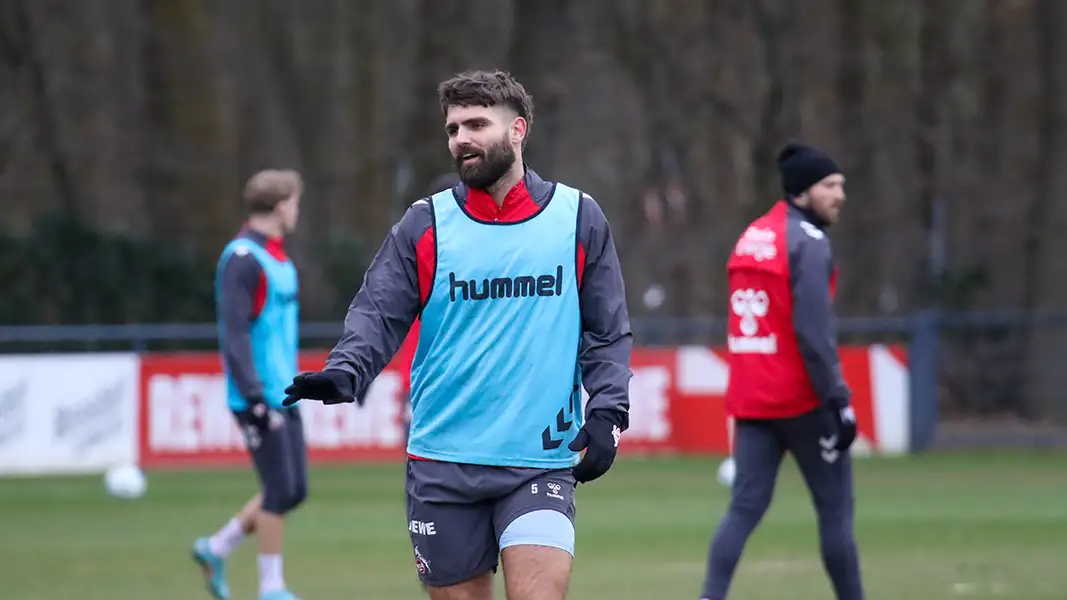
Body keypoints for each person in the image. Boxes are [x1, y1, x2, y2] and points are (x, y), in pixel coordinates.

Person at [283, 70, 633, 600]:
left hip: (537, 461)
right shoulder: (425, 225)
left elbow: (607, 332)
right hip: (442, 462)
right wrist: (344, 373)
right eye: (452, 129)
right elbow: (377, 313)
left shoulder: (577, 218)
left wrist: (607, 412)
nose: (461, 138)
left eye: (476, 124)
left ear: (518, 130)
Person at [700, 142, 865, 600]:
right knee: (835, 512)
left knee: (743, 509)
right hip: (803, 400)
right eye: (830, 186)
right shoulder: (807, 244)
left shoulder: (752, 234)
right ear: (801, 192)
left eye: (841, 186)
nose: (839, 195)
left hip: (752, 400)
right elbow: (814, 335)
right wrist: (837, 399)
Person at [192, 169, 307, 600]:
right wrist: (255, 399)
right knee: (279, 489)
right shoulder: (242, 259)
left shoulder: (277, 258)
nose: (297, 211)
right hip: (258, 396)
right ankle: (271, 588)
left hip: (284, 390)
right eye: (295, 203)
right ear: (280, 207)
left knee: (294, 491)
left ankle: (215, 547)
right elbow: (235, 335)